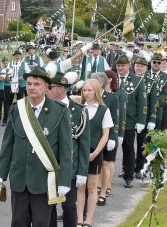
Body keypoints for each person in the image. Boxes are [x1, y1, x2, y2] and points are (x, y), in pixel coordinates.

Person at [0, 66, 72, 227]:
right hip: (19, 178)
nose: (31, 87)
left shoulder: (59, 111)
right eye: (29, 84)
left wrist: (64, 180)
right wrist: (0, 174)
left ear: (46, 87)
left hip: (44, 180)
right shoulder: (17, 109)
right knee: (18, 222)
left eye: (36, 84)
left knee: (41, 223)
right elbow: (8, 145)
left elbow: (65, 150)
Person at [47, 72, 90, 227]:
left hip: (70, 167)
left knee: (69, 206)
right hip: (49, 166)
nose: (46, 89)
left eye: (49, 87)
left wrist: (82, 172)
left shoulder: (79, 110)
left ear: (60, 88)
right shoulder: (45, 108)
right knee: (49, 205)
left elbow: (84, 144)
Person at [76, 79, 113, 227]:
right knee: (80, 186)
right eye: (84, 90)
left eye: (89, 90)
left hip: (94, 153)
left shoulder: (104, 110)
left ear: (96, 91)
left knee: (92, 187)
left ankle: (88, 220)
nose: (86, 93)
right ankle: (79, 219)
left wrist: (96, 153)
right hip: (80, 152)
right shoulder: (79, 108)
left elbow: (105, 135)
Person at [116, 54, 147, 188]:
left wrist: (141, 120)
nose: (120, 68)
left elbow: (142, 102)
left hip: (129, 120)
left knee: (128, 149)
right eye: (118, 65)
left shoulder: (137, 80)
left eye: (122, 65)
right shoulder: (112, 79)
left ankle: (129, 175)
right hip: (113, 120)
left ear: (129, 66)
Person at [91, 73, 119, 206]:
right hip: (93, 137)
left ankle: (103, 192)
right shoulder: (88, 96)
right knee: (93, 167)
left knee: (106, 164)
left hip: (107, 136)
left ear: (101, 84)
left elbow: (115, 119)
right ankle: (94, 189)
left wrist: (113, 138)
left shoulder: (112, 98)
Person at [149, 53, 167, 130]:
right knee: (141, 139)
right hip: (143, 111)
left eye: (159, 62)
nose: (156, 64)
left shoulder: (166, 77)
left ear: (162, 63)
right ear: (151, 62)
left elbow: (165, 95)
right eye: (154, 62)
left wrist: (153, 103)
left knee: (154, 139)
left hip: (157, 111)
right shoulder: (144, 74)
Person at [1, 56, 13, 126]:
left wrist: (7, 78)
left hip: (7, 87)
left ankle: (5, 120)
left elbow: (10, 78)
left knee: (6, 103)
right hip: (1, 87)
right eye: (4, 63)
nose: (5, 64)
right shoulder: (0, 69)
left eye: (6, 63)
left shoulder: (10, 69)